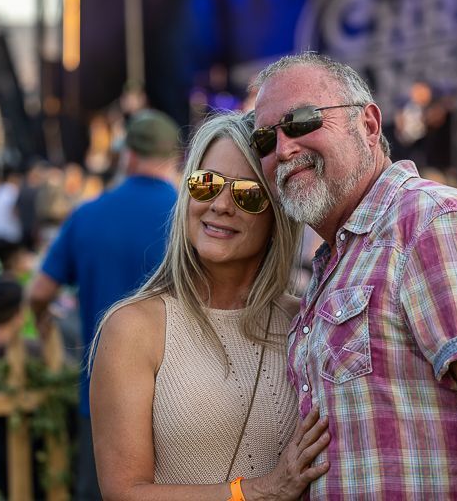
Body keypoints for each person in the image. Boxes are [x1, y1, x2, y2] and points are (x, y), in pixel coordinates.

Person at [250, 52, 457, 499]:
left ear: (369, 126)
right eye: (264, 140)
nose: (283, 149)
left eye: (299, 122)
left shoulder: (435, 222)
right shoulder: (341, 257)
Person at [89, 111, 329, 500]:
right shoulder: (135, 328)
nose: (219, 204)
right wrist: (256, 491)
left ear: (277, 214)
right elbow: (124, 493)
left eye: (247, 194)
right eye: (206, 184)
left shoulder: (302, 320)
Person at [29, 108, 182, 501]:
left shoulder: (87, 215)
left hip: (100, 397)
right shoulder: (189, 215)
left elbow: (39, 293)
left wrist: (45, 325)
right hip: (180, 397)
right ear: (175, 159)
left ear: (128, 155)